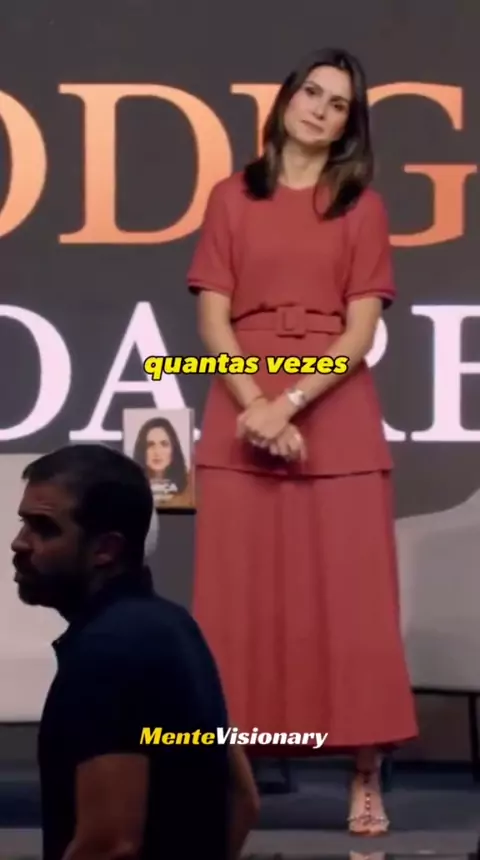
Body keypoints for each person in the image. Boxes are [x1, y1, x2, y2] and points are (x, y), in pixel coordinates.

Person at [187, 47, 418, 836]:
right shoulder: (231, 197)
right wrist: (255, 404)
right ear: (287, 100)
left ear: (350, 126)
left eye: (337, 103)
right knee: (235, 607)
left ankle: (366, 776)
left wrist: (287, 402)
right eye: (311, 92)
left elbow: (359, 333)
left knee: (354, 608)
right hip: (241, 408)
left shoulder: (362, 207)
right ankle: (226, 783)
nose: (319, 108)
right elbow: (213, 318)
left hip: (334, 409)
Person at [11, 444, 259, 860]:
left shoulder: (107, 652)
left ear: (105, 549)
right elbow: (243, 800)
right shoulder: (174, 625)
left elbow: (110, 846)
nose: (19, 543)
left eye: (44, 528)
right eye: (24, 524)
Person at [133, 415, 194, 508]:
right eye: (150, 445)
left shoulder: (189, 485)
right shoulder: (130, 485)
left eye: (164, 444)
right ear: (142, 450)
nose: (157, 452)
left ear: (173, 449)